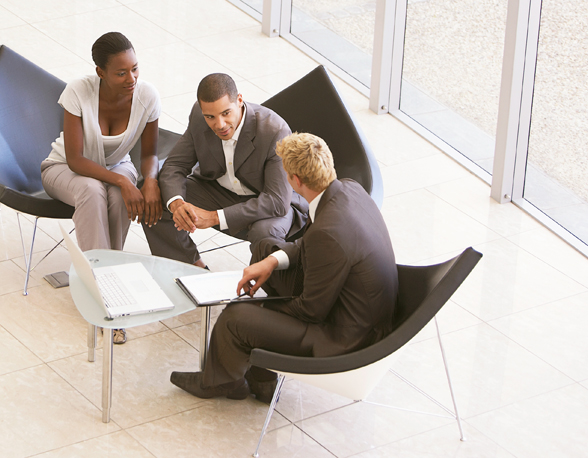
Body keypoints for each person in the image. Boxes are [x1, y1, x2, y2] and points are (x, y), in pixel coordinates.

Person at [169, 133, 398, 402]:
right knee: (266, 248)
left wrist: (261, 309)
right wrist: (271, 261)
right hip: (350, 301)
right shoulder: (348, 189)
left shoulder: (329, 233)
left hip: (343, 335)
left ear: (295, 181)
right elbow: (309, 244)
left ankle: (221, 383)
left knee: (236, 317)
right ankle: (262, 379)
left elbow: (311, 310)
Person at [41, 32, 162, 344]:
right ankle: (106, 294)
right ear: (101, 73)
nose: (131, 78)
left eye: (135, 69)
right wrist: (124, 181)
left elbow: (149, 154)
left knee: (117, 197)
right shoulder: (78, 92)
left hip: (115, 166)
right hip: (64, 169)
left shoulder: (148, 96)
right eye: (121, 73)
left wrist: (149, 182)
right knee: (93, 192)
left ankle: (106, 280)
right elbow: (75, 158)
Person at [142, 73, 307, 268]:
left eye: (226, 113)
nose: (219, 124)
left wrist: (213, 217)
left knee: (264, 236)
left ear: (239, 100)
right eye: (210, 116)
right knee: (157, 196)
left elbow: (277, 202)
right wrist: (177, 205)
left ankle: (265, 290)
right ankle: (191, 268)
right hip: (219, 191)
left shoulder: (274, 131)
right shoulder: (198, 115)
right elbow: (175, 165)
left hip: (269, 205)